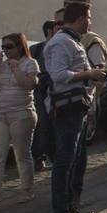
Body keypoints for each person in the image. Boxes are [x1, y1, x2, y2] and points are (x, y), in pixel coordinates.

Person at [44, 1, 107, 213]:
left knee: (73, 160)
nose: (90, 22)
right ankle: (61, 212)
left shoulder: (73, 41)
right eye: (89, 18)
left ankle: (69, 207)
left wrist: (93, 76)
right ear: (81, 18)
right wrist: (89, 73)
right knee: (64, 161)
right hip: (67, 108)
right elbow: (59, 75)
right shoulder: (62, 42)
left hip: (78, 106)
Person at [0, 32, 40, 209]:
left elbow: (28, 84)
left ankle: (27, 189)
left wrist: (17, 67)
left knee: (21, 154)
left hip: (22, 114)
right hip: (1, 114)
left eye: (9, 47)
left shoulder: (30, 63)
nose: (6, 50)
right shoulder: (2, 66)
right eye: (4, 47)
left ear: (20, 47)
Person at [29, 14, 61, 171]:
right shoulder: (36, 49)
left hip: (56, 90)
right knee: (41, 125)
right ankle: (38, 157)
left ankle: (54, 155)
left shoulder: (60, 47)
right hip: (40, 92)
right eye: (57, 27)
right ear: (50, 30)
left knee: (55, 125)